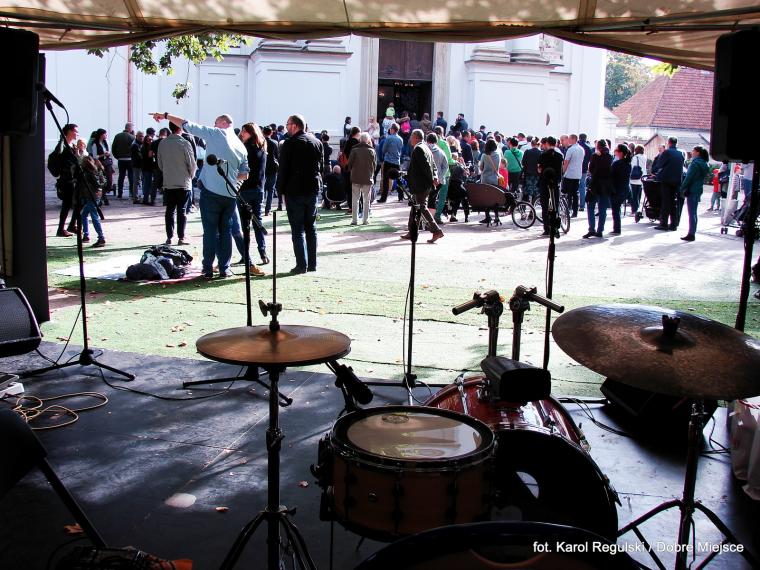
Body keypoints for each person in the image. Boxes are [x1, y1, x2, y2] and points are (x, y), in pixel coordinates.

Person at [152, 111, 249, 280]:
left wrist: (166, 115)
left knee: (210, 232)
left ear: (224, 123)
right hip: (229, 194)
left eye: (216, 122)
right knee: (226, 232)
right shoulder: (241, 146)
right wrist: (233, 183)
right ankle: (224, 268)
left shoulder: (216, 133)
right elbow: (244, 174)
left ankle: (208, 268)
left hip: (211, 193)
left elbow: (187, 124)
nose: (214, 125)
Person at [278, 114, 323, 274]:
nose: (286, 127)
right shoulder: (316, 142)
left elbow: (283, 169)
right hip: (312, 189)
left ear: (295, 126)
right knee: (311, 228)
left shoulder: (289, 143)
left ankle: (301, 265)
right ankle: (312, 264)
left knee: (297, 230)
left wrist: (280, 190)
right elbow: (321, 167)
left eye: (288, 124)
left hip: (295, 191)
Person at [157, 121, 196, 246]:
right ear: (180, 128)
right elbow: (192, 164)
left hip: (168, 182)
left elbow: (160, 163)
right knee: (182, 211)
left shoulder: (163, 143)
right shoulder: (185, 143)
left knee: (169, 210)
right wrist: (190, 176)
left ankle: (169, 237)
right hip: (183, 182)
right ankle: (181, 237)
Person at [401, 129, 442, 243]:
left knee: (421, 208)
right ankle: (412, 232)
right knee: (415, 208)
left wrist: (432, 179)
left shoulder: (419, 148)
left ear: (416, 137)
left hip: (421, 185)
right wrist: (434, 177)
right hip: (423, 184)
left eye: (411, 136)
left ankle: (436, 231)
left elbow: (427, 167)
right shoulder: (425, 147)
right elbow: (432, 165)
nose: (410, 139)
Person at [237, 122, 268, 270]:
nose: (242, 133)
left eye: (244, 131)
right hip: (258, 188)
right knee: (257, 221)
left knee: (245, 224)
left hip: (245, 189)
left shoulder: (245, 149)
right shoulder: (262, 148)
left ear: (251, 133)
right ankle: (262, 252)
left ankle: (246, 254)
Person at [50, 123, 82, 237]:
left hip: (74, 178)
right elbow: (57, 155)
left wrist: (77, 154)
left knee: (78, 202)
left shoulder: (72, 145)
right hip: (66, 180)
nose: (77, 133)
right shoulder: (62, 145)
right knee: (67, 204)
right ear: (69, 132)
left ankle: (71, 225)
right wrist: (61, 140)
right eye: (75, 131)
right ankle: (61, 229)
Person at [653, 137, 685, 231]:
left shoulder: (667, 152)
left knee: (665, 202)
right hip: (676, 181)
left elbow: (659, 165)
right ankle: (674, 224)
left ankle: (664, 223)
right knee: (673, 202)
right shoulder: (680, 154)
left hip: (666, 180)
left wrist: (656, 172)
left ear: (669, 142)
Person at [680, 146, 710, 241]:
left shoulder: (694, 164)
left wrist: (682, 188)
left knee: (691, 212)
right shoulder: (705, 164)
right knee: (694, 212)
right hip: (698, 189)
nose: (692, 152)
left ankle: (691, 234)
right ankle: (692, 232)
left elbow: (688, 178)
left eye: (693, 151)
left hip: (691, 189)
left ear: (697, 152)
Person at [584, 139, 613, 238]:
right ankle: (600, 230)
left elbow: (591, 169)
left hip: (595, 184)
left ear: (598, 146)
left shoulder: (595, 156)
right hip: (606, 185)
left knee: (591, 207)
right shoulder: (610, 156)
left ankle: (592, 229)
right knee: (602, 209)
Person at [347, 132, 376, 225]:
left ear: (360, 140)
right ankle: (365, 220)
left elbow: (349, 164)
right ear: (368, 140)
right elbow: (374, 165)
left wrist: (352, 171)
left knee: (355, 199)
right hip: (367, 178)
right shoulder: (371, 151)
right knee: (366, 200)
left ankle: (354, 220)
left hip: (356, 177)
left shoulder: (354, 150)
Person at [77, 155, 107, 247]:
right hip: (94, 196)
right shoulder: (95, 171)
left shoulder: (87, 173)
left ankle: (101, 238)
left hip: (90, 196)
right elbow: (102, 183)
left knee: (94, 217)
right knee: (84, 214)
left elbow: (96, 184)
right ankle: (86, 235)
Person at [537, 136, 564, 237]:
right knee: (555, 206)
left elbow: (539, 169)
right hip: (555, 183)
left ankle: (547, 228)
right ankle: (555, 228)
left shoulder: (542, 155)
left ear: (547, 143)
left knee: (545, 206)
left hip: (544, 182)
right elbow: (561, 170)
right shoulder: (559, 156)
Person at [610, 144, 632, 235]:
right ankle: (617, 228)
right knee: (617, 208)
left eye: (616, 151)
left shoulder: (617, 164)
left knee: (615, 209)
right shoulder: (628, 164)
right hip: (625, 188)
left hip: (617, 189)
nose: (615, 152)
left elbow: (611, 176)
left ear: (621, 153)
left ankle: (617, 229)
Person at [427, 133, 449, 224]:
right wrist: (440, 177)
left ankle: (422, 220)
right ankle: (430, 221)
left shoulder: (424, 149)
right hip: (438, 180)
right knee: (432, 200)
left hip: (426, 179)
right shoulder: (441, 152)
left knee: (423, 201)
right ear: (436, 141)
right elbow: (446, 166)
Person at [379, 123, 403, 202]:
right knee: (399, 179)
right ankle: (401, 196)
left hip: (388, 161)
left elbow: (383, 150)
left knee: (385, 180)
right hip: (397, 161)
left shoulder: (389, 138)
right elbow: (400, 150)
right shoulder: (400, 139)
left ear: (392, 129)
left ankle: (384, 198)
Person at [562, 134, 584, 217]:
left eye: (570, 139)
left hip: (569, 174)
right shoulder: (581, 149)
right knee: (575, 193)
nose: (568, 140)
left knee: (566, 193)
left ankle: (567, 209)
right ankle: (575, 211)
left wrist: (563, 171)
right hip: (578, 174)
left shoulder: (571, 149)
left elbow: (566, 162)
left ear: (573, 139)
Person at [111, 122, 135, 199]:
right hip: (130, 159)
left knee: (121, 176)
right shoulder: (132, 137)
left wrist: (117, 157)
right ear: (130, 128)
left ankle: (120, 193)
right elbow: (134, 149)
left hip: (121, 159)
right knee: (131, 176)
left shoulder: (117, 136)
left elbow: (113, 148)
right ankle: (131, 193)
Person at [89, 129, 114, 198]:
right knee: (101, 179)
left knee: (109, 178)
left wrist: (108, 153)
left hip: (107, 162)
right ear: (100, 135)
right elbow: (95, 156)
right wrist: (103, 154)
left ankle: (106, 190)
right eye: (105, 134)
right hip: (100, 163)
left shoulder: (106, 142)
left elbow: (109, 151)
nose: (106, 135)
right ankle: (103, 195)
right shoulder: (95, 144)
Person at [262, 126, 280, 214]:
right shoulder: (275, 143)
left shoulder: (260, 142)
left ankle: (260, 206)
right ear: (271, 133)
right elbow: (277, 155)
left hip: (263, 167)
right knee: (271, 189)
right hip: (272, 168)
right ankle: (268, 209)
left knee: (262, 188)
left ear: (263, 132)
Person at [629, 145, 647, 215]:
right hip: (642, 177)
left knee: (634, 195)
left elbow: (632, 166)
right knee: (639, 195)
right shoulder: (644, 157)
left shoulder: (635, 157)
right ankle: (638, 210)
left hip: (635, 178)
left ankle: (634, 210)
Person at [578, 133, 593, 211]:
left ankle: (572, 204)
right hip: (584, 169)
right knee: (582, 187)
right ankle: (582, 205)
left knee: (574, 186)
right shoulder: (589, 147)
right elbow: (591, 159)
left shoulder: (577, 145)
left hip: (576, 168)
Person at [140, 133, 157, 205]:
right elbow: (149, 156)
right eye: (149, 140)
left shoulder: (148, 147)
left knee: (148, 183)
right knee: (147, 183)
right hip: (147, 167)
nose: (151, 141)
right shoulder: (145, 148)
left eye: (152, 140)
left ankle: (146, 199)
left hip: (148, 167)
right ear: (146, 141)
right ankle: (146, 199)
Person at [130, 131, 144, 203]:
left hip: (140, 165)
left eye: (142, 136)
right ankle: (135, 197)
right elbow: (138, 156)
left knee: (138, 181)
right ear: (136, 136)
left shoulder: (140, 143)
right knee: (136, 181)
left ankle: (137, 196)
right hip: (137, 165)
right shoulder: (135, 145)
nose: (141, 137)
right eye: (140, 136)